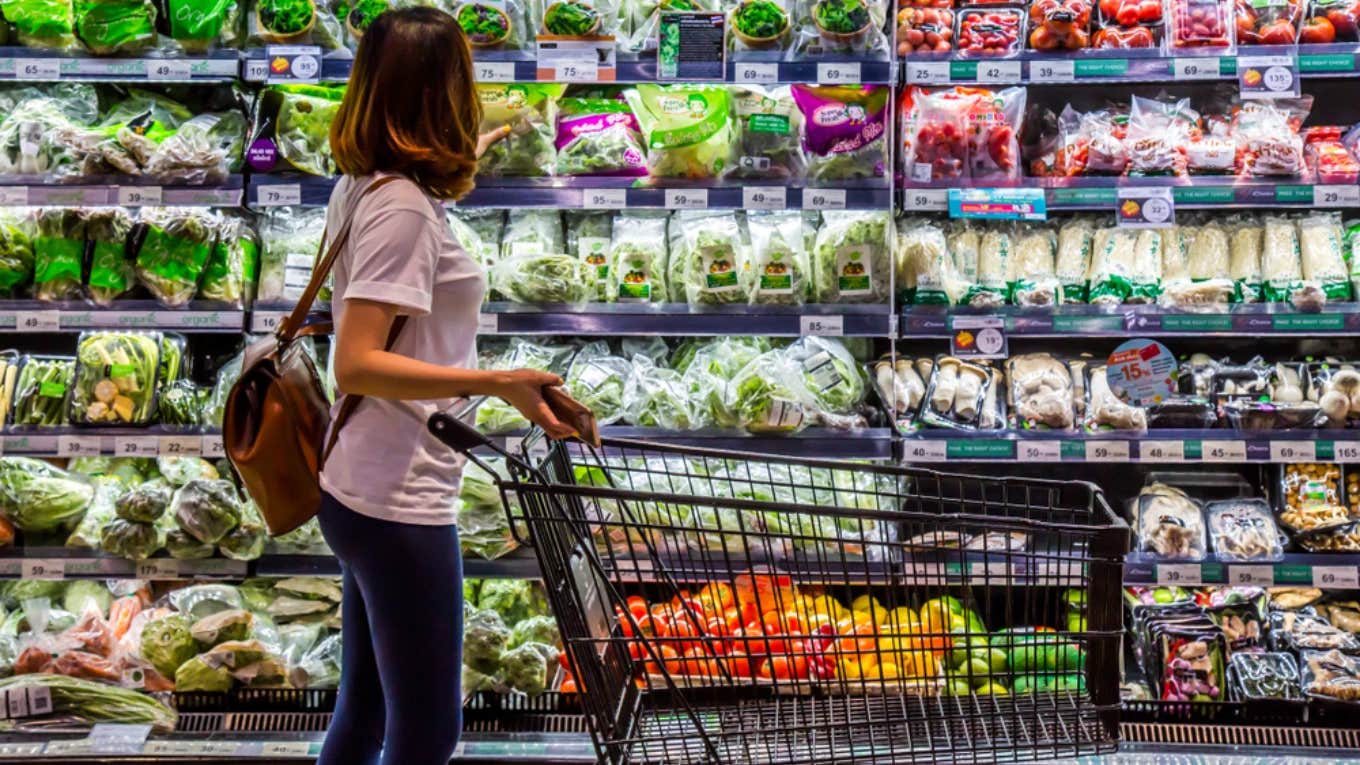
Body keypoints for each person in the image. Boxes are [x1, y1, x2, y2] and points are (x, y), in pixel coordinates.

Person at [315, 8, 576, 765]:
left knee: (363, 715)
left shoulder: (375, 184)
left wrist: (476, 155)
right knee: (427, 735)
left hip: (362, 482)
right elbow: (357, 360)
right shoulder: (401, 209)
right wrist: (497, 381)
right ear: (445, 91)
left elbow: (410, 247)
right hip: (395, 500)